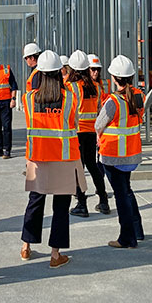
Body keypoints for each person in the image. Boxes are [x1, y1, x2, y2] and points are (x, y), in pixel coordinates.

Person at [21, 50, 85, 268]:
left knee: (35, 202)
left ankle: (26, 247)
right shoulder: (69, 98)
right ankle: (55, 255)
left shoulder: (28, 98)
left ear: (39, 72)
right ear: (60, 72)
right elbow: (74, 124)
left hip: (37, 159)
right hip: (63, 158)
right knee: (60, 207)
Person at [95, 54, 145, 248]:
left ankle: (127, 238)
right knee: (127, 191)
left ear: (114, 78)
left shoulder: (113, 102)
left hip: (113, 155)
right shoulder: (139, 95)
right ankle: (137, 231)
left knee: (121, 195)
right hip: (131, 153)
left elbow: (99, 125)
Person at [66, 50, 110, 216]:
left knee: (78, 169)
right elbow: (99, 110)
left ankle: (82, 203)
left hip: (76, 132)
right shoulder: (97, 87)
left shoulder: (70, 87)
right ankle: (103, 201)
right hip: (91, 132)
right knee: (92, 166)